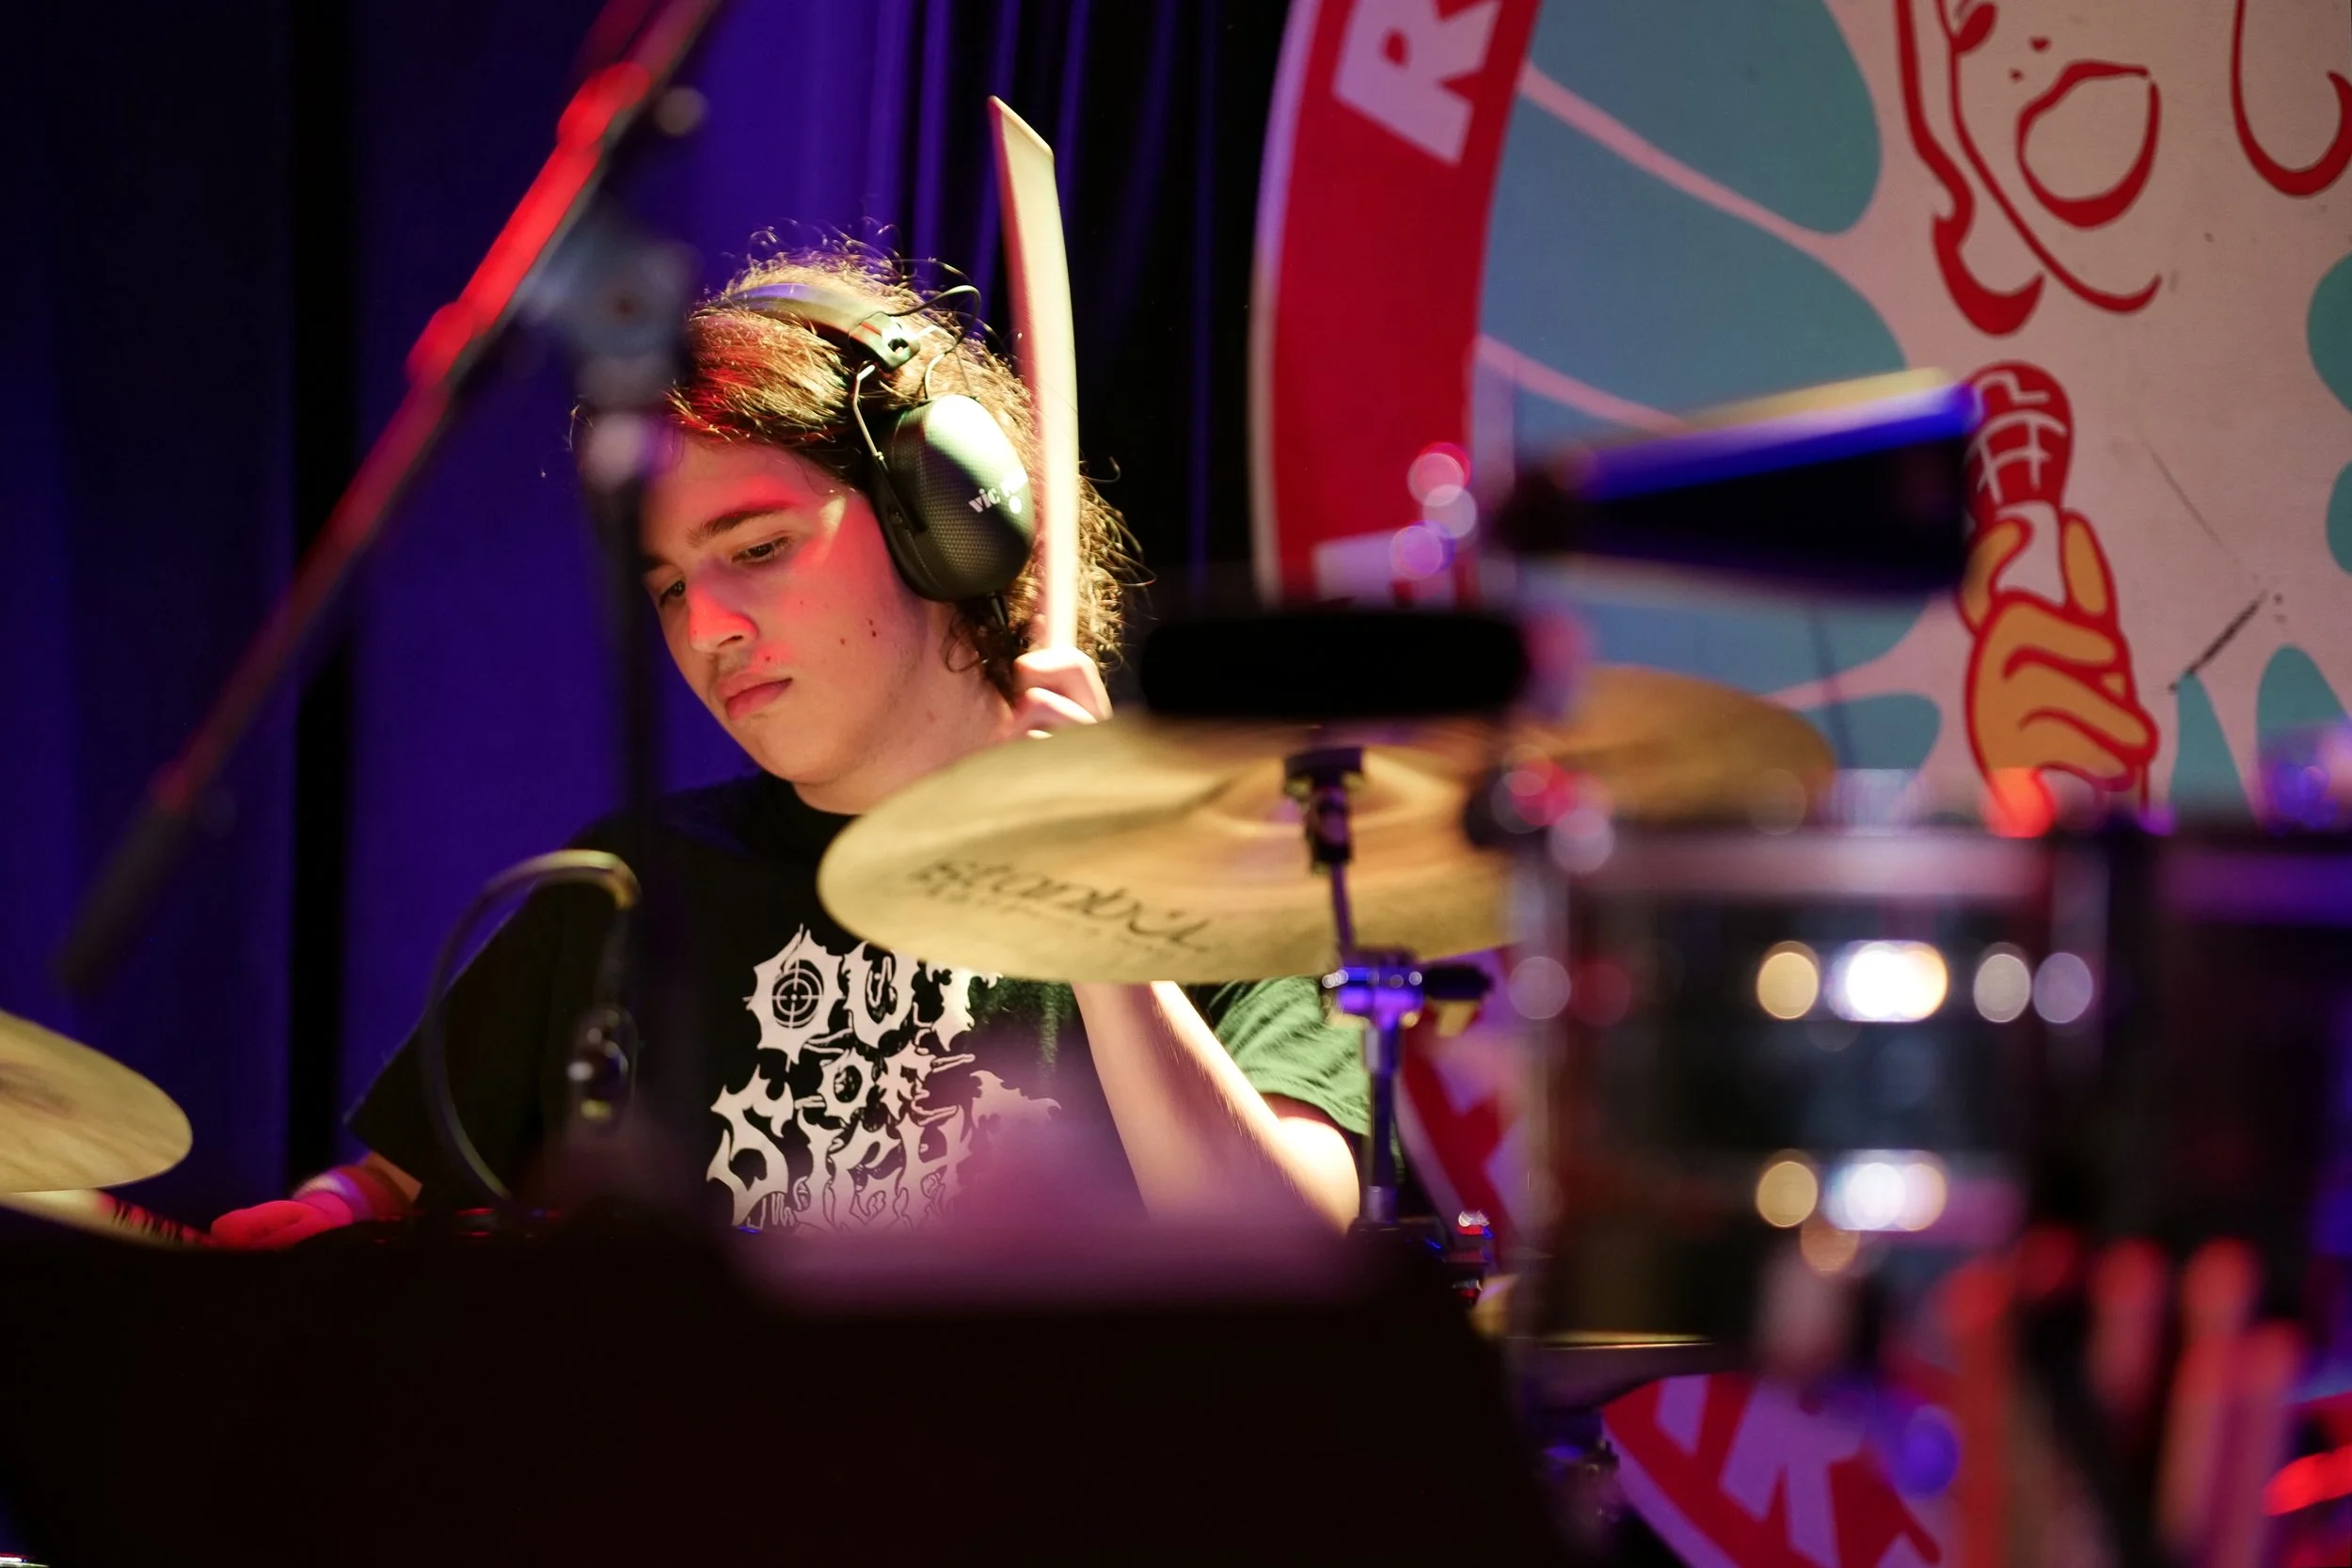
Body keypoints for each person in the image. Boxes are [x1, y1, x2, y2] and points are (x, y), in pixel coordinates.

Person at [212, 243, 1367, 1246]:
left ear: (945, 524)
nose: (707, 628)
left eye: (756, 549)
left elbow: (1283, 1251)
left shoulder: (1221, 864)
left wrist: (1101, 911)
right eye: (667, 587)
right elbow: (389, 1186)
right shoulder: (627, 889)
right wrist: (329, 1215)